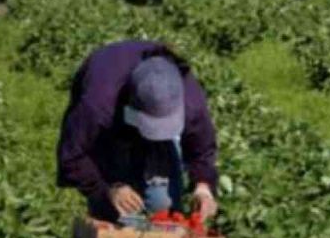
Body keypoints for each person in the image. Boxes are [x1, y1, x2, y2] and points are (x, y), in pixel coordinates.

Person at [57, 41, 218, 224]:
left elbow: (202, 149)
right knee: (115, 214)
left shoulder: (191, 101)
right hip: (111, 129)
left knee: (164, 207)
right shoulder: (97, 104)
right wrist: (108, 190)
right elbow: (72, 155)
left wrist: (203, 187)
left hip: (142, 109)